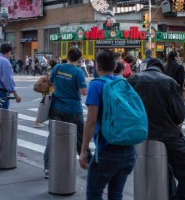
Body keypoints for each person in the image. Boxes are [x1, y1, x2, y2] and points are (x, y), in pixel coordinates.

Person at [129, 58, 185, 200]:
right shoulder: (168, 82)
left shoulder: (132, 80)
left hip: (140, 133)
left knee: (165, 167)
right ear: (161, 68)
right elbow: (180, 115)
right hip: (167, 134)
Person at [80, 49, 136, 199]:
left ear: (97, 66)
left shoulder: (96, 85)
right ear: (115, 66)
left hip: (107, 150)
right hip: (129, 150)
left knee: (94, 194)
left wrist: (84, 150)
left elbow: (91, 120)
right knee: (116, 194)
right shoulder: (123, 83)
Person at [43, 48, 89, 178]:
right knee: (80, 137)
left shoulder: (58, 67)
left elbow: (49, 81)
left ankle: (48, 167)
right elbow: (84, 92)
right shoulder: (78, 72)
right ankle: (87, 161)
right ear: (79, 59)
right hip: (73, 109)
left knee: (53, 136)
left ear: (67, 56)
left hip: (56, 106)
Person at [0, 43, 22, 109]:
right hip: (1, 92)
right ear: (8, 51)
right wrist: (16, 95)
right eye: (10, 53)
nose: (10, 55)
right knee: (2, 116)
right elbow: (7, 80)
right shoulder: (5, 62)